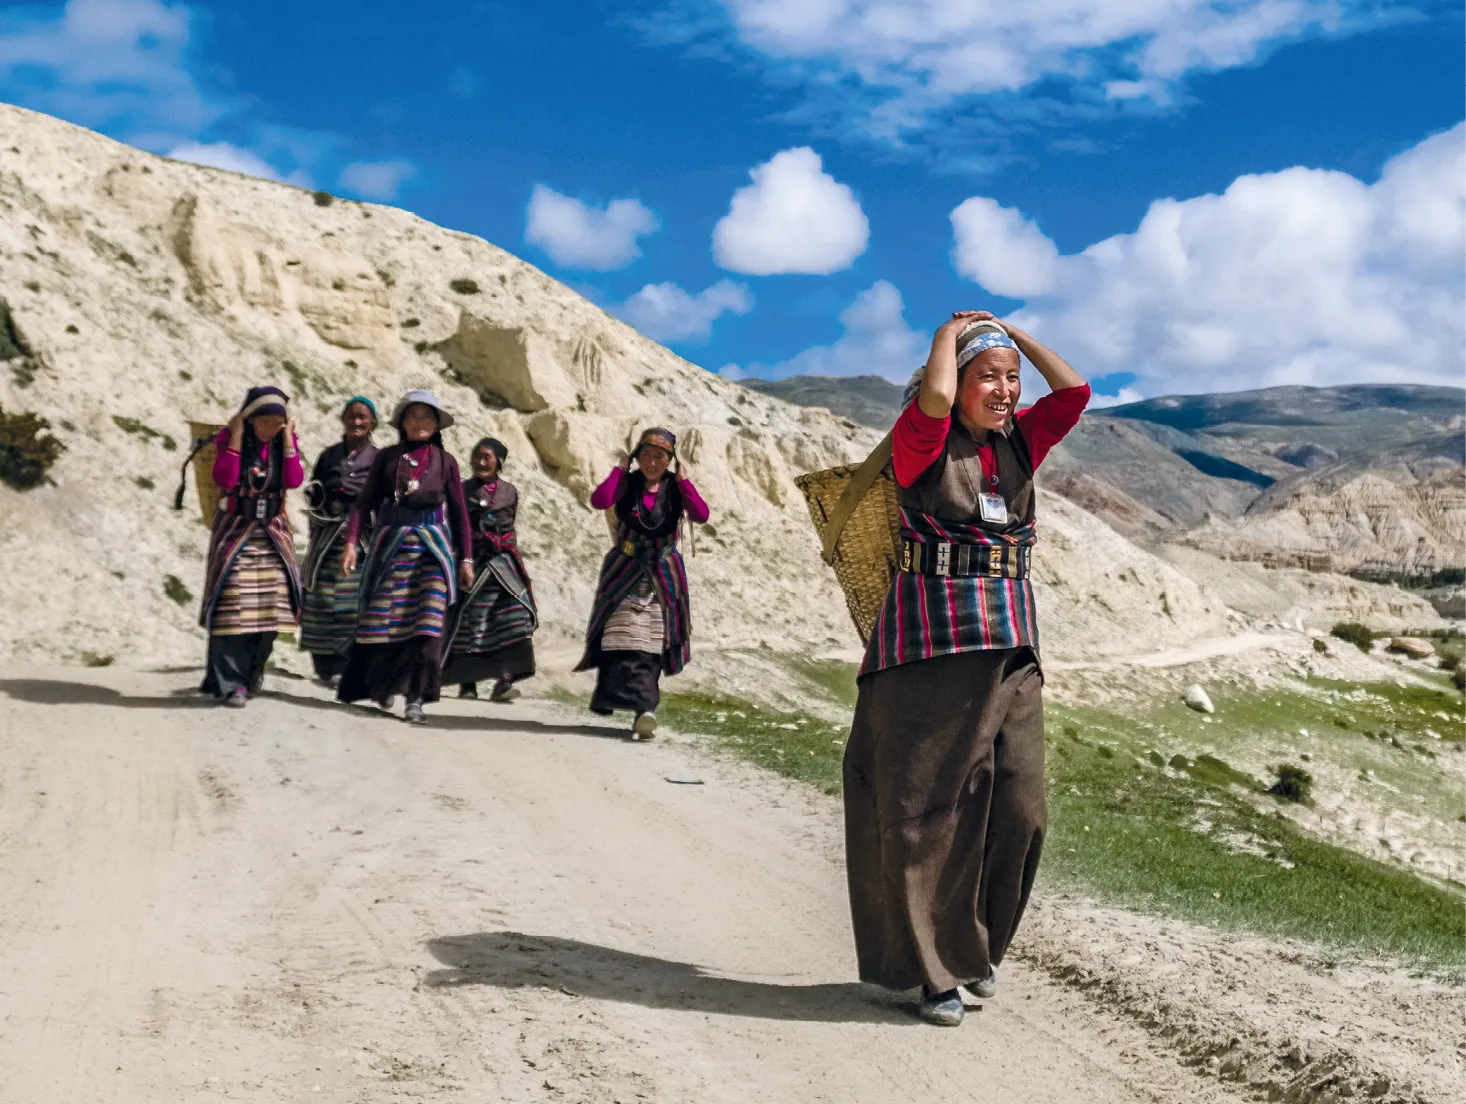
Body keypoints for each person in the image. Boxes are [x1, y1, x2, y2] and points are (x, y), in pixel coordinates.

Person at [842, 311, 1089, 1027]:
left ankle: (973, 949)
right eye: (992, 377)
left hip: (1011, 641)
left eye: (1012, 379)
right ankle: (933, 973)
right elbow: (939, 399)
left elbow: (1073, 394)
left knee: (1020, 805)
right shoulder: (923, 442)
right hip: (930, 645)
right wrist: (953, 336)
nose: (1007, 390)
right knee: (929, 815)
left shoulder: (1020, 440)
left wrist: (1012, 334)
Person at [336, 390, 472, 724]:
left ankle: (416, 698)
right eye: (412, 416)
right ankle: (380, 685)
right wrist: (351, 542)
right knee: (385, 620)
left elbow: (460, 514)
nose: (419, 422)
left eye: (427, 416)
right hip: (392, 548)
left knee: (427, 625)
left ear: (437, 424)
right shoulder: (386, 457)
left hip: (433, 552)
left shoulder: (446, 462)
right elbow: (363, 504)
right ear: (402, 422)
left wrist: (466, 559)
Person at [575, 428, 709, 740]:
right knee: (620, 635)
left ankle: (645, 710)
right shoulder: (628, 482)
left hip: (663, 571)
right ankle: (625, 701)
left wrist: (684, 481)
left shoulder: (675, 489)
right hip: (625, 567)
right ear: (637, 456)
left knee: (653, 639)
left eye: (660, 457)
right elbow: (600, 500)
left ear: (669, 461)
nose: (651, 462)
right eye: (645, 455)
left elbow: (701, 515)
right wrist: (619, 470)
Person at [198, 386, 305, 706]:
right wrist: (234, 435)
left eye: (279, 421)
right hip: (237, 531)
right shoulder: (232, 440)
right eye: (267, 420)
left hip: (271, 531)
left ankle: (254, 670)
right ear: (251, 419)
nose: (273, 426)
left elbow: (294, 479)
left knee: (272, 608)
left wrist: (288, 443)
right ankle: (232, 683)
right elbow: (226, 479)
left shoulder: (282, 443)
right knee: (233, 605)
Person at [442, 437, 538, 702]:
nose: (480, 462)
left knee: (513, 617)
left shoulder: (510, 492)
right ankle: (467, 684)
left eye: (487, 457)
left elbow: (509, 528)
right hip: (471, 563)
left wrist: (501, 545)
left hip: (503, 566)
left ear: (499, 462)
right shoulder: (461, 490)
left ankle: (504, 680)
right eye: (477, 456)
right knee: (470, 620)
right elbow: (455, 526)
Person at [299, 396, 380, 685]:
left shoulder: (379, 459)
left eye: (363, 417)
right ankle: (323, 664)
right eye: (352, 416)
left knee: (352, 598)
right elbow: (316, 487)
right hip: (328, 533)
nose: (356, 421)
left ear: (373, 423)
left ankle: (347, 663)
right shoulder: (329, 456)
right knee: (320, 595)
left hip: (361, 537)